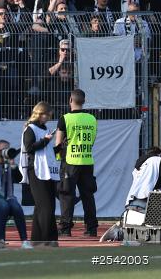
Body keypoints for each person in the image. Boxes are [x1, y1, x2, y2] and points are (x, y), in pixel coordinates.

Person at [55, 88, 98, 237]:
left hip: (70, 162)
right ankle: (92, 228)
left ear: (70, 100)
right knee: (88, 196)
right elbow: (92, 140)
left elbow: (58, 144)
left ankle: (66, 228)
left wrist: (59, 159)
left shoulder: (65, 119)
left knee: (66, 195)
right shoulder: (92, 119)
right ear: (84, 101)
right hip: (87, 160)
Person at [18, 101, 59, 247]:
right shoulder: (30, 129)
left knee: (44, 206)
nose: (48, 118)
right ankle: (48, 239)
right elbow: (30, 148)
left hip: (46, 170)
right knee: (46, 206)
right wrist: (45, 140)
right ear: (40, 114)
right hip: (35, 170)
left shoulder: (45, 128)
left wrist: (59, 148)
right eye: (47, 115)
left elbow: (46, 152)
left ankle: (38, 239)